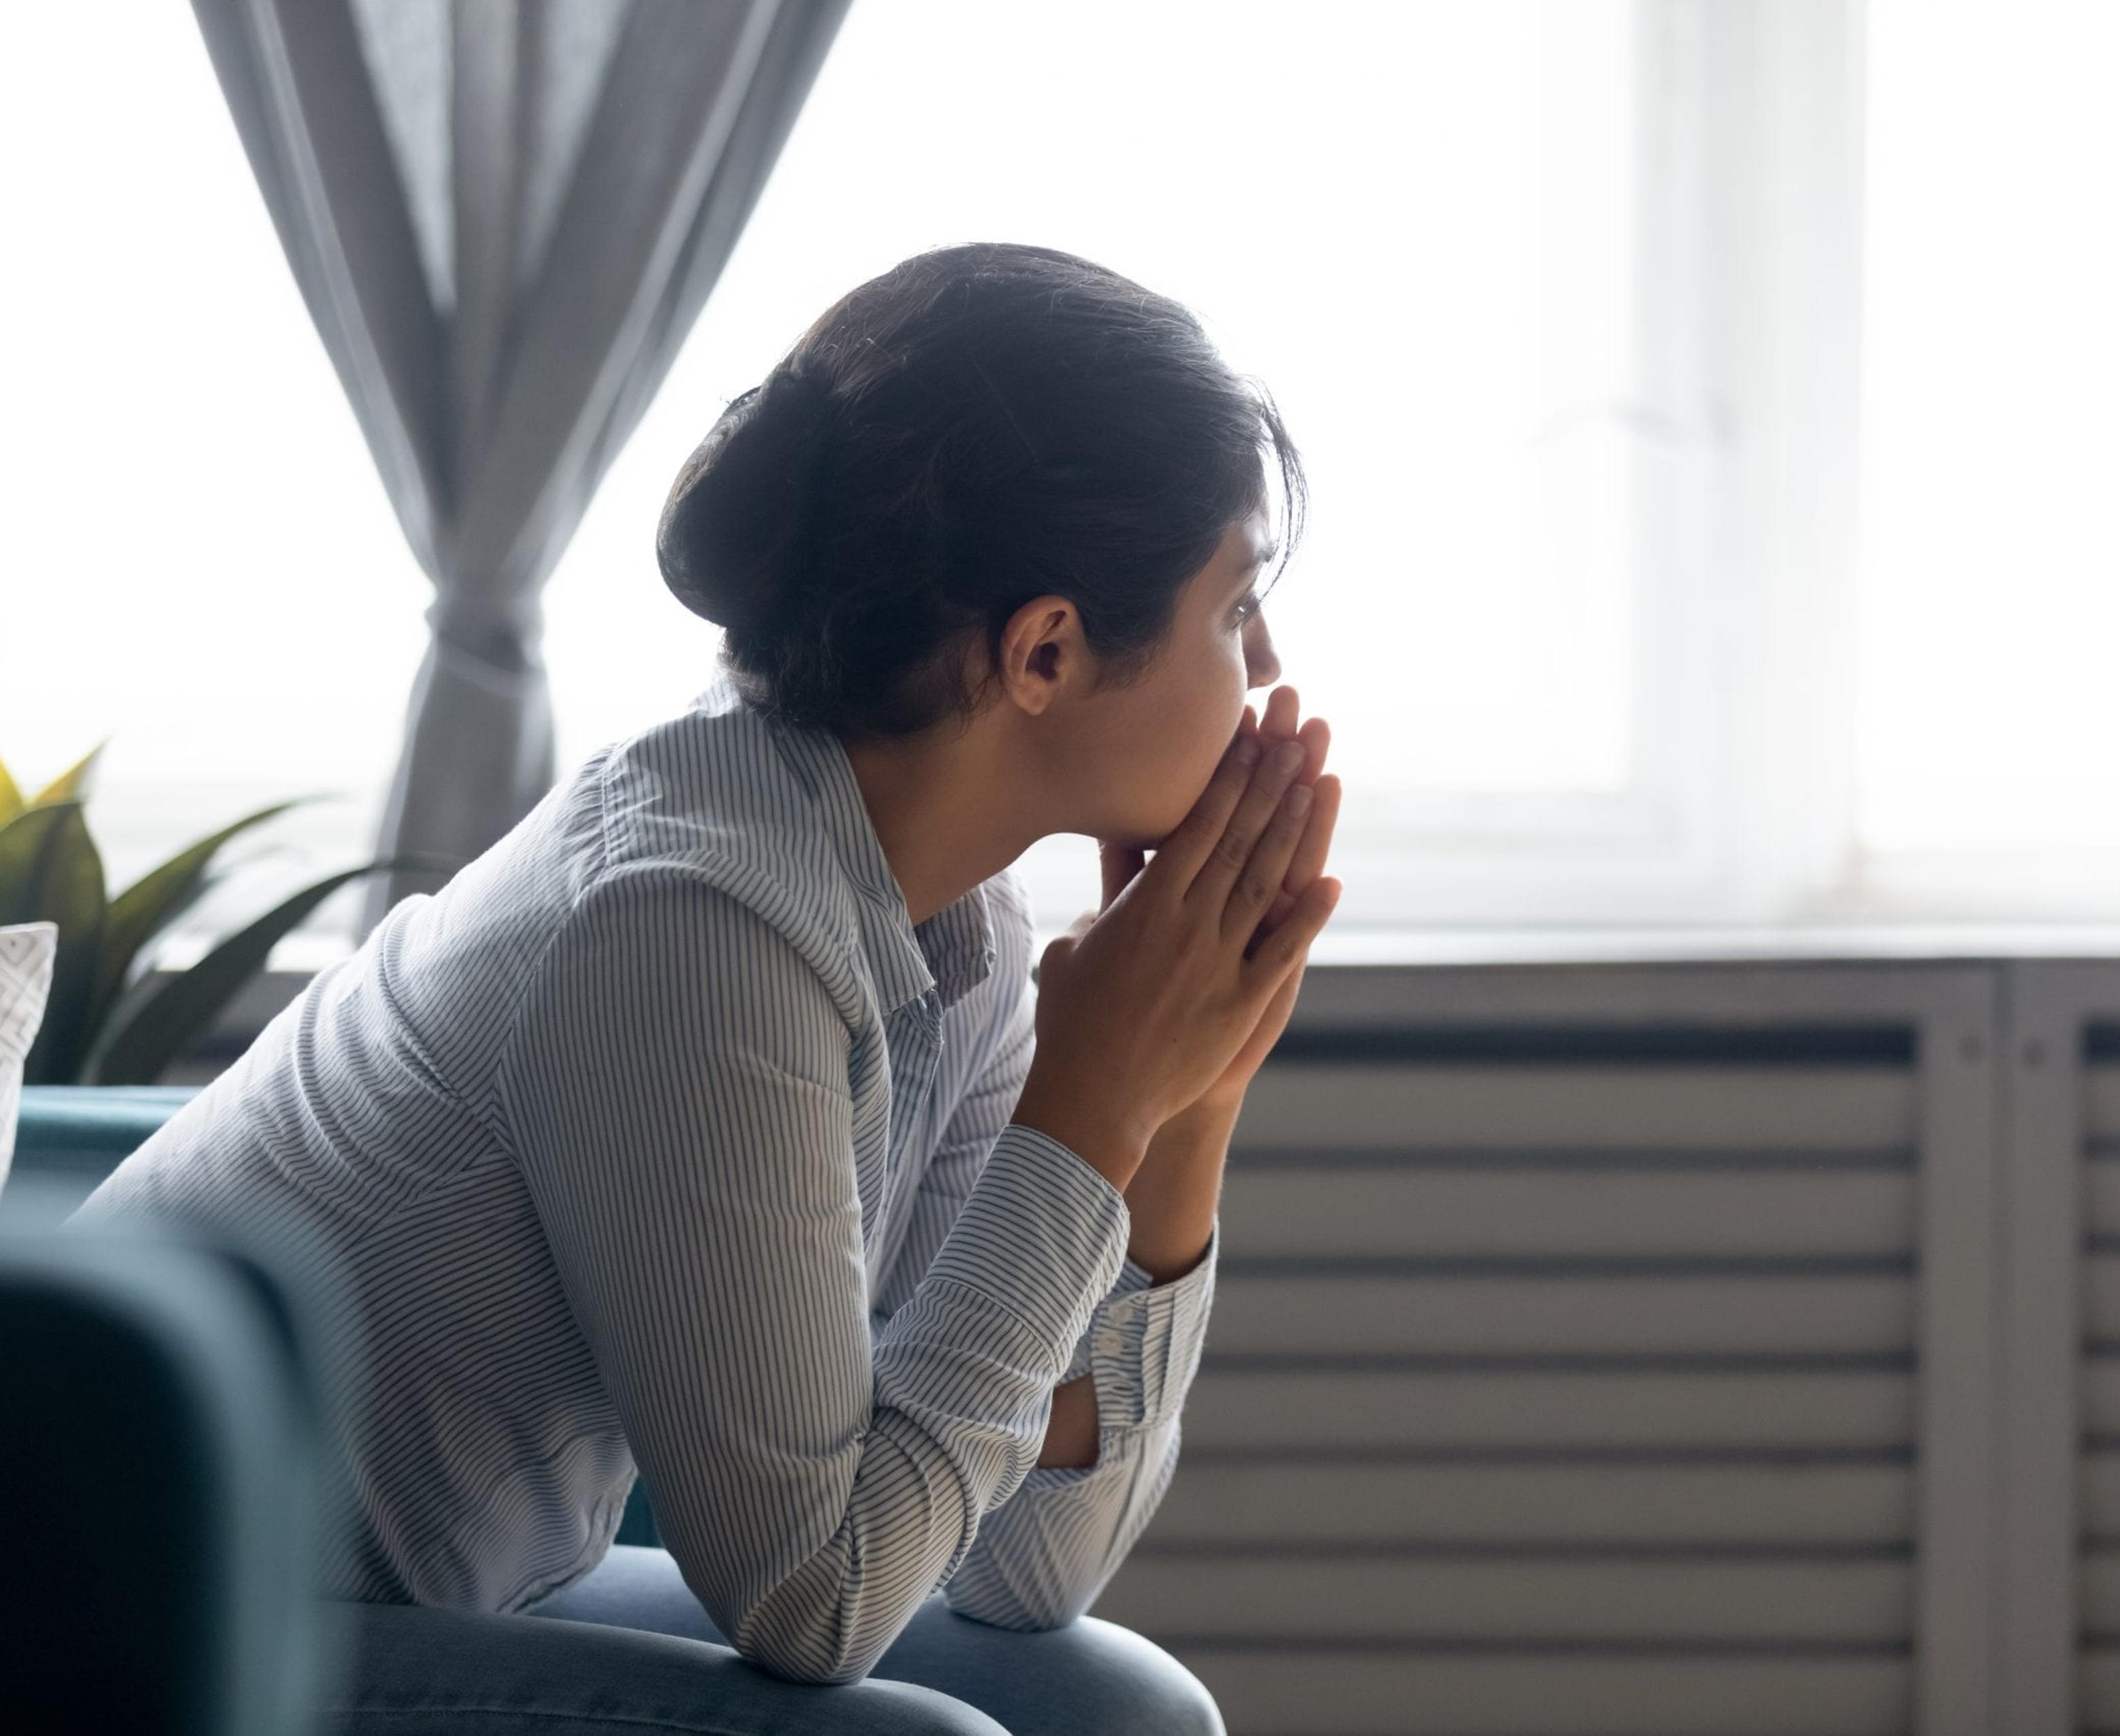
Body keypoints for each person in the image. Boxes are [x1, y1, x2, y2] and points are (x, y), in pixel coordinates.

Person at [70, 241, 1344, 1735]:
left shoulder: (963, 928)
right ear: (1045, 651)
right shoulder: (686, 927)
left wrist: (1185, 1113)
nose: (1265, 669)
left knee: (1112, 1705)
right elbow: (821, 1601)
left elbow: (1020, 1568)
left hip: (414, 1595)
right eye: (1233, 607)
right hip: (127, 1621)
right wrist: (1093, 1114)